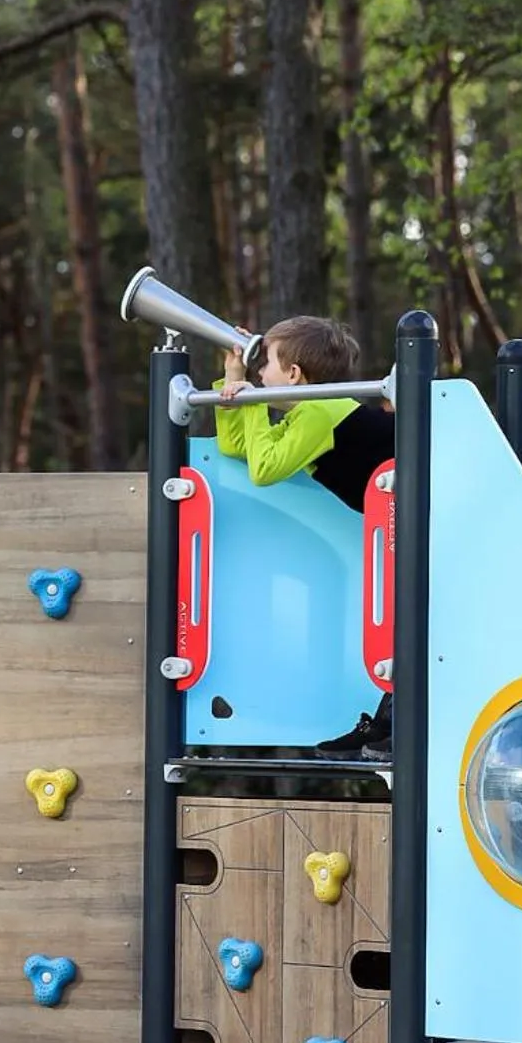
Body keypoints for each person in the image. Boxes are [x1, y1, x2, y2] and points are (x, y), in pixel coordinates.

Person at [216, 315, 393, 759]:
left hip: (424, 509)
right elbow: (238, 449)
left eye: (266, 365)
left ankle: (391, 728)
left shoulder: (317, 411)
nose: (259, 373)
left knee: (406, 620)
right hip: (402, 516)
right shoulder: (312, 411)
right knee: (402, 619)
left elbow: (264, 469)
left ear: (294, 374)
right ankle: (388, 727)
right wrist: (233, 380)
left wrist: (252, 403)